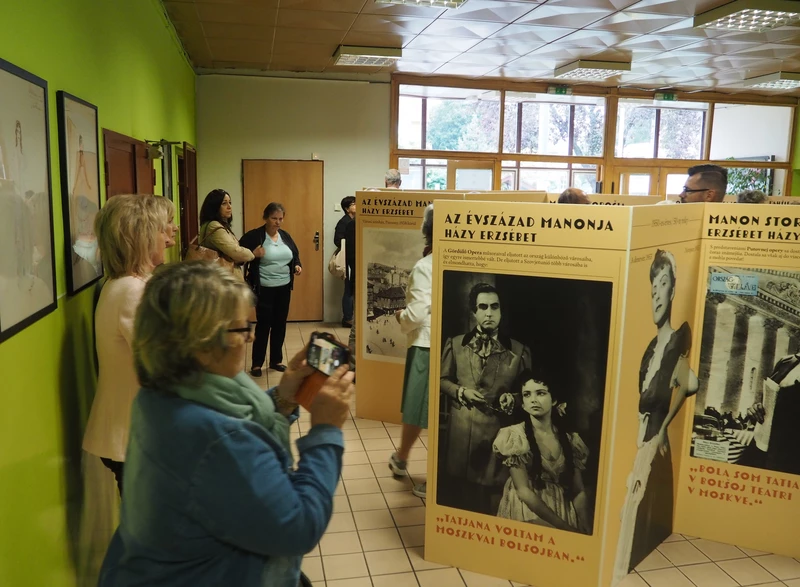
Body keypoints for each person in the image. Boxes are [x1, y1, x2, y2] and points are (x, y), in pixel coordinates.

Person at [98, 261, 353, 587]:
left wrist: (285, 397)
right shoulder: (217, 439)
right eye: (241, 328)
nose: (250, 337)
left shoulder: (162, 394)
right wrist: (326, 431)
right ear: (200, 343)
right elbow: (297, 526)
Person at [613, 249, 698, 582]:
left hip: (655, 447)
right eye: (652, 289)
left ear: (674, 291)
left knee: (641, 517)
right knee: (632, 516)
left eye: (663, 285)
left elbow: (689, 383)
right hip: (641, 446)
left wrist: (662, 429)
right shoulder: (650, 348)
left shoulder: (678, 340)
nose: (657, 295)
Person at [82, 194, 168, 495]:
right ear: (140, 236)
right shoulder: (132, 290)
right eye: (161, 229)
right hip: (131, 436)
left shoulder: (121, 285)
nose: (168, 238)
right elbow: (166, 366)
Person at [438, 283, 532, 515]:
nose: (489, 312)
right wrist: (461, 392)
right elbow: (441, 380)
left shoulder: (519, 351)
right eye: (483, 307)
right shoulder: (456, 344)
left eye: (494, 307)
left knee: (491, 497)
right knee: (460, 495)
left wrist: (514, 398)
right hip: (461, 433)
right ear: (474, 312)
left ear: (501, 311)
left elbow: (529, 392)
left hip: (496, 435)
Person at [493, 370, 591, 533]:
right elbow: (523, 491)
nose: (533, 400)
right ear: (523, 403)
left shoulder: (570, 440)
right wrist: (563, 527)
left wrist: (586, 525)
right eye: (527, 395)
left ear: (555, 400)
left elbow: (579, 490)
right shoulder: (515, 437)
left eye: (540, 393)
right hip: (527, 509)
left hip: (561, 508)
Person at [388, 205, 434, 499]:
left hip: (425, 345)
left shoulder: (424, 267)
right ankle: (402, 457)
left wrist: (400, 317)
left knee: (420, 408)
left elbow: (416, 314)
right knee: (422, 409)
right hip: (445, 343)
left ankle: (433, 482)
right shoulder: (460, 257)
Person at [240, 202, 302, 375]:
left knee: (280, 324)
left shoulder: (285, 236)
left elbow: (294, 255)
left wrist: (297, 265)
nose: (277, 222)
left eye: (280, 219)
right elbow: (238, 255)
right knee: (263, 325)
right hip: (264, 288)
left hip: (284, 287)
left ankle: (276, 360)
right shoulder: (255, 236)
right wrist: (253, 254)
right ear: (266, 218)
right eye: (274, 218)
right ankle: (257, 364)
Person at [741, 353, 800, 475]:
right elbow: (768, 402)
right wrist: (756, 410)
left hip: (791, 460)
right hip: (761, 449)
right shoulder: (786, 362)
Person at [198, 188, 263, 280]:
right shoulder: (213, 226)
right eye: (224, 203)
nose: (229, 207)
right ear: (214, 207)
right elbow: (235, 251)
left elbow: (231, 254)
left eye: (230, 202)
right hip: (221, 280)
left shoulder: (219, 225)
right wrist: (252, 254)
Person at [334, 196, 356, 328]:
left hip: (355, 258)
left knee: (353, 288)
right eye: (354, 204)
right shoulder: (344, 222)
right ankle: (347, 318)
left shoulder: (357, 220)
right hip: (348, 259)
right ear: (347, 209)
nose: (357, 206)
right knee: (348, 289)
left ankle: (351, 316)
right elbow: (337, 240)